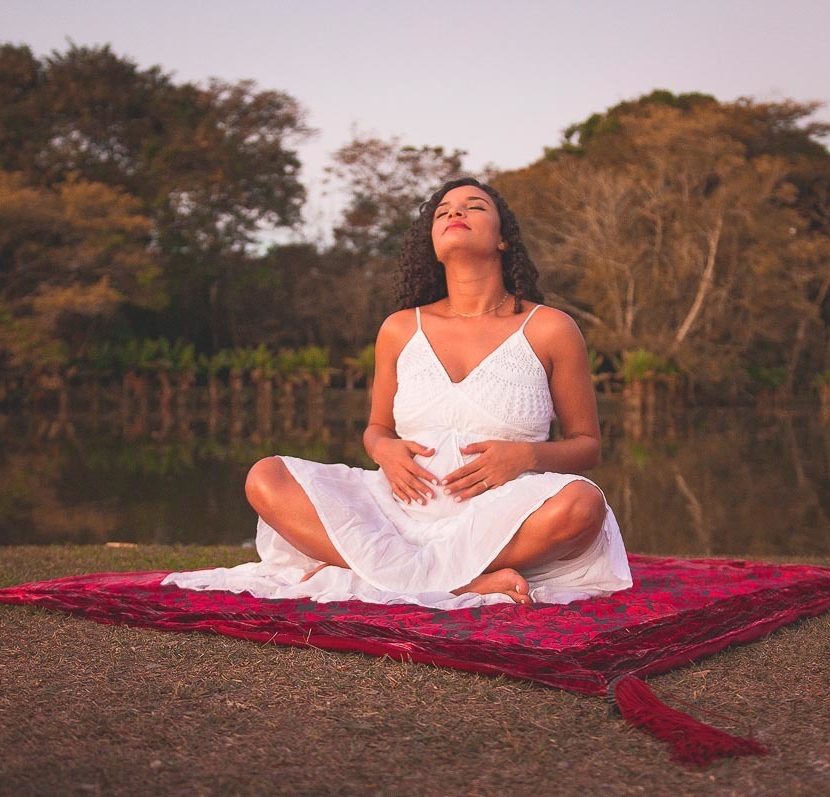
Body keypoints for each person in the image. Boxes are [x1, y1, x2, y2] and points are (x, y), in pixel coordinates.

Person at [163, 178, 631, 607]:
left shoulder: (551, 328)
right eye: (442, 211)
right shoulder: (401, 328)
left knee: (583, 505)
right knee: (266, 477)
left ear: (503, 237)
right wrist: (383, 449)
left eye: (474, 206)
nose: (454, 213)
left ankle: (373, 571)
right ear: (432, 240)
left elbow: (587, 446)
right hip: (395, 512)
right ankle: (455, 582)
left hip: (499, 519)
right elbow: (377, 428)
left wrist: (527, 457)